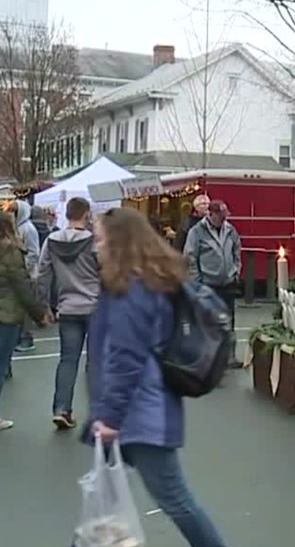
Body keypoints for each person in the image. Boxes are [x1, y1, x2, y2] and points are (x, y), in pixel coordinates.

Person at [84, 206, 229, 547]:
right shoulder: (147, 283)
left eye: (101, 239)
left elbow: (126, 357)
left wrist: (109, 416)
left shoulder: (131, 289)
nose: (96, 246)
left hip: (137, 415)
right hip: (139, 411)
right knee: (104, 497)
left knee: (173, 499)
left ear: (119, 243)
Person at [37, 197, 101, 430]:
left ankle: (62, 408)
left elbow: (42, 274)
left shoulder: (51, 241)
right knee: (96, 362)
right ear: (86, 214)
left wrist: (44, 306)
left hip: (67, 306)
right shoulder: (94, 241)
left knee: (67, 360)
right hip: (95, 306)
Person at [0, 211, 50, 430]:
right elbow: (21, 285)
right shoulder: (10, 250)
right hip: (6, 312)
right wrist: (39, 313)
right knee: (1, 365)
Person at [183, 201, 243, 369]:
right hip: (208, 284)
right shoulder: (197, 232)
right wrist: (198, 281)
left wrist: (236, 271)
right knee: (208, 322)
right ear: (211, 214)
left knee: (228, 320)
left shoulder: (230, 230)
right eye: (220, 217)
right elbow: (190, 257)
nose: (223, 220)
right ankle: (208, 358)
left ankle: (229, 356)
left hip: (228, 283)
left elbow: (237, 251)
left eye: (225, 217)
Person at [11, 200, 40, 353]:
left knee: (26, 309)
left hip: (28, 275)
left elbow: (34, 253)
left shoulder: (28, 229)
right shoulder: (16, 228)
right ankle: (19, 337)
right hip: (18, 275)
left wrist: (23, 269)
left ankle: (27, 339)